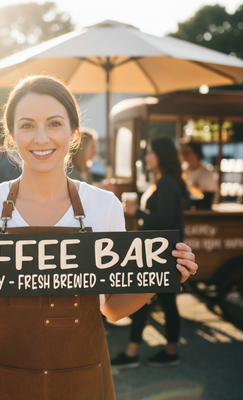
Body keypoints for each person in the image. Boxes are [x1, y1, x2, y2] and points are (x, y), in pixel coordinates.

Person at [0, 76, 198, 400]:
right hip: (1, 380)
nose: (41, 137)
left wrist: (157, 276)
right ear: (12, 136)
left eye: (54, 123)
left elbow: (112, 310)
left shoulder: (104, 207)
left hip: (83, 381)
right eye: (28, 125)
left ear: (73, 132)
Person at [112, 136, 189, 369]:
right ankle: (167, 351)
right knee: (164, 301)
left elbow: (164, 220)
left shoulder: (166, 183)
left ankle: (134, 352)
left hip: (160, 253)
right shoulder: (168, 181)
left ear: (161, 155)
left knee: (143, 301)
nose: (146, 157)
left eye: (150, 153)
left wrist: (137, 212)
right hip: (163, 252)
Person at [182, 141, 217, 209]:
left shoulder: (207, 172)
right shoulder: (181, 171)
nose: (184, 156)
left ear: (197, 153)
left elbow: (208, 199)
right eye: (183, 153)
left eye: (187, 153)